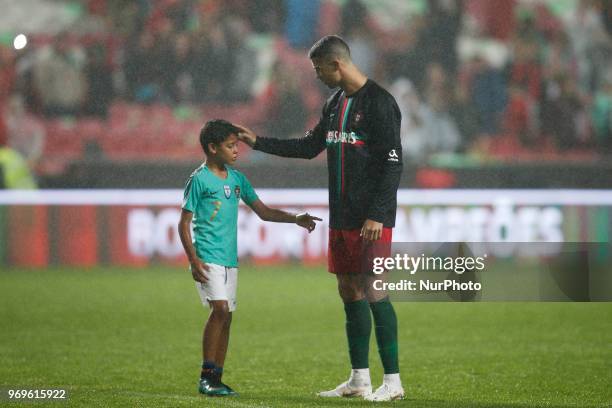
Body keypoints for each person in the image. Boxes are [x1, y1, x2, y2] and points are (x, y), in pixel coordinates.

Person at [236, 35, 404, 402]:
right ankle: (360, 379)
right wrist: (257, 141)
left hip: (370, 220)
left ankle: (392, 382)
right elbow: (309, 146)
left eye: (318, 69)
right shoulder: (334, 103)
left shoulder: (380, 103)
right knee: (348, 290)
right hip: (342, 216)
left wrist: (378, 213)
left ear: (337, 64)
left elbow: (393, 165)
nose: (316, 76)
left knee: (376, 290)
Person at [177, 119, 321, 397]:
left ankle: (216, 377)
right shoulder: (199, 179)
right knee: (219, 310)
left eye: (237, 145)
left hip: (230, 259)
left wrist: (296, 218)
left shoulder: (237, 179)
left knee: (227, 316)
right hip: (207, 256)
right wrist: (194, 260)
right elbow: (183, 223)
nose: (236, 151)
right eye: (230, 146)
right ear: (212, 147)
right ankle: (205, 376)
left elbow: (264, 212)